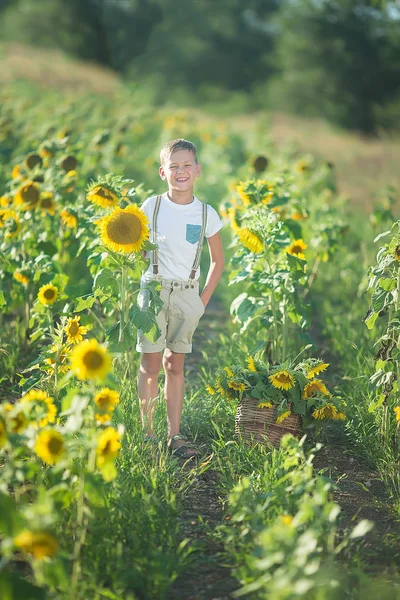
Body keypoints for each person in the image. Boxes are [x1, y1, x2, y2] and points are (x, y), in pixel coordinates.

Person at [136, 138, 224, 458]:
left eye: (187, 165)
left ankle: (175, 435)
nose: (181, 171)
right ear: (163, 172)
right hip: (153, 290)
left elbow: (218, 261)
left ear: (197, 170)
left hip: (188, 295)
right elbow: (140, 248)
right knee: (150, 364)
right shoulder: (151, 206)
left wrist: (202, 301)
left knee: (175, 364)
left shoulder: (205, 213)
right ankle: (147, 435)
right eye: (174, 166)